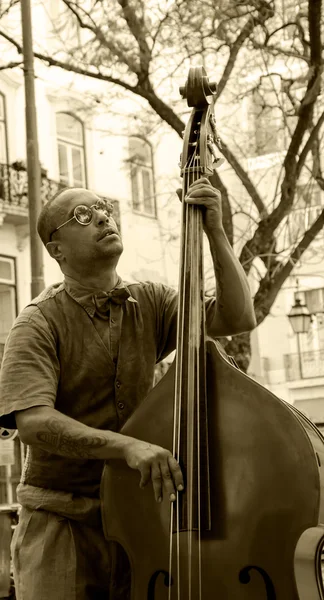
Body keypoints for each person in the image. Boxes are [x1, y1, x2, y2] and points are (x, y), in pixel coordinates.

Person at [0, 177, 256, 599]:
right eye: (82, 215)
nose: (102, 215)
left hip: (140, 520)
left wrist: (215, 231)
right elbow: (33, 424)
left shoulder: (153, 300)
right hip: (60, 522)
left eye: (103, 207)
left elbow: (236, 318)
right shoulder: (35, 324)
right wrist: (128, 447)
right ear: (56, 249)